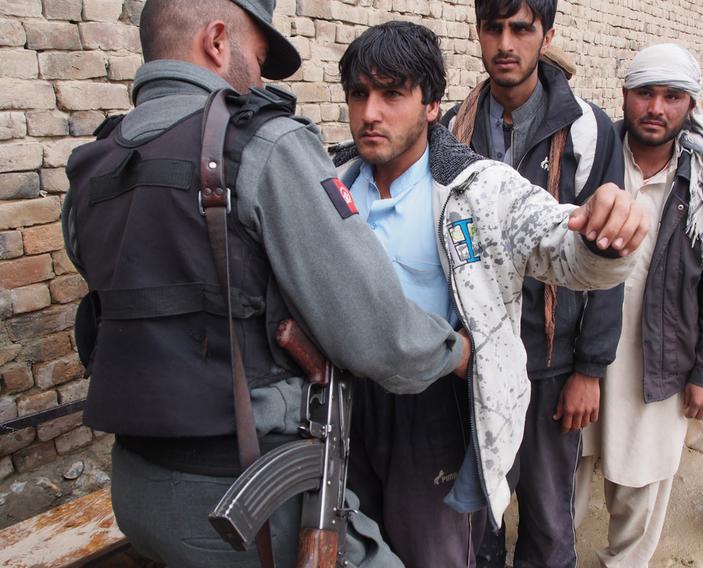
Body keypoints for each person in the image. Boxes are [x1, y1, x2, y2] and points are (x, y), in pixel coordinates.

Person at [61, 2, 479, 567]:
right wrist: (456, 350)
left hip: (135, 487)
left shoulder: (93, 167)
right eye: (256, 58)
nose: (257, 78)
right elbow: (375, 331)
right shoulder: (265, 143)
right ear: (216, 41)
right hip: (245, 501)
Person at [332, 20, 646, 568]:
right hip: (346, 403)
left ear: (431, 105)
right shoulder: (332, 183)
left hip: (433, 411)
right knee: (351, 545)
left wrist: (604, 238)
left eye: (392, 93)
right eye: (359, 94)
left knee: (433, 555)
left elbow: (560, 248)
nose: (370, 113)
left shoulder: (479, 189)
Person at [439, 1, 624, 565]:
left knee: (547, 520)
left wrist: (588, 370)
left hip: (550, 363)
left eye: (521, 28)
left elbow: (606, 260)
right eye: (493, 28)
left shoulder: (588, 130)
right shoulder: (452, 130)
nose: (505, 44)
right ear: (478, 32)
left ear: (547, 34)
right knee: (477, 514)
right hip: (475, 360)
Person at [572, 43, 703, 567]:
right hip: (578, 354)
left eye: (673, 96)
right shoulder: (589, 158)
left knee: (641, 490)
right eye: (645, 92)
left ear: (690, 103)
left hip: (660, 360)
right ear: (624, 95)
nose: (656, 107)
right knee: (565, 480)